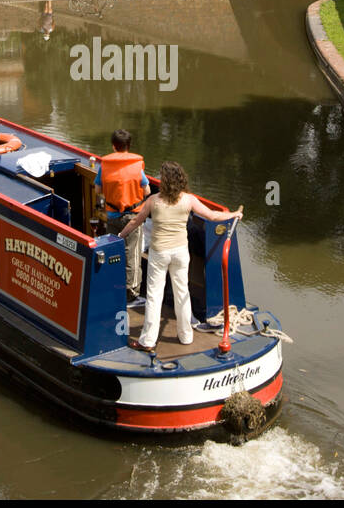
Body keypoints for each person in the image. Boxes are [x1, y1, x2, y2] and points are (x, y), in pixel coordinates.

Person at [120, 161, 242, 352]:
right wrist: (234, 214)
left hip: (159, 254)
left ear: (164, 181)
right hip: (180, 253)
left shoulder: (153, 200)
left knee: (154, 296)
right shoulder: (189, 200)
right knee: (182, 293)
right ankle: (185, 336)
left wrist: (120, 236)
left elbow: (136, 221)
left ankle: (148, 341)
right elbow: (212, 216)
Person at [96, 129, 148, 307]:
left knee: (114, 252)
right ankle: (131, 295)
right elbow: (147, 191)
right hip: (132, 218)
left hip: (111, 216)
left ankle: (114, 288)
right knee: (132, 255)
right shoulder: (136, 166)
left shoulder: (104, 166)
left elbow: (98, 190)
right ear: (129, 146)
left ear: (113, 146)